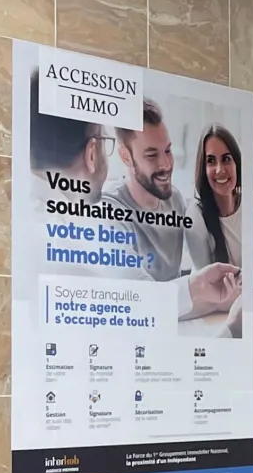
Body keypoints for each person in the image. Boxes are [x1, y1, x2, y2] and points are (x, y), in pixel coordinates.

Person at [99, 98, 240, 323]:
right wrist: (201, 289)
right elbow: (138, 300)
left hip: (175, 326)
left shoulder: (174, 199)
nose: (165, 164)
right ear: (126, 156)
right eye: (152, 155)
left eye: (168, 150)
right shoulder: (108, 210)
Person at [185, 124, 245, 272]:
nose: (220, 170)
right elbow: (208, 287)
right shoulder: (195, 218)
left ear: (236, 163)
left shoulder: (250, 206)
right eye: (211, 161)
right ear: (203, 169)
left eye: (226, 159)